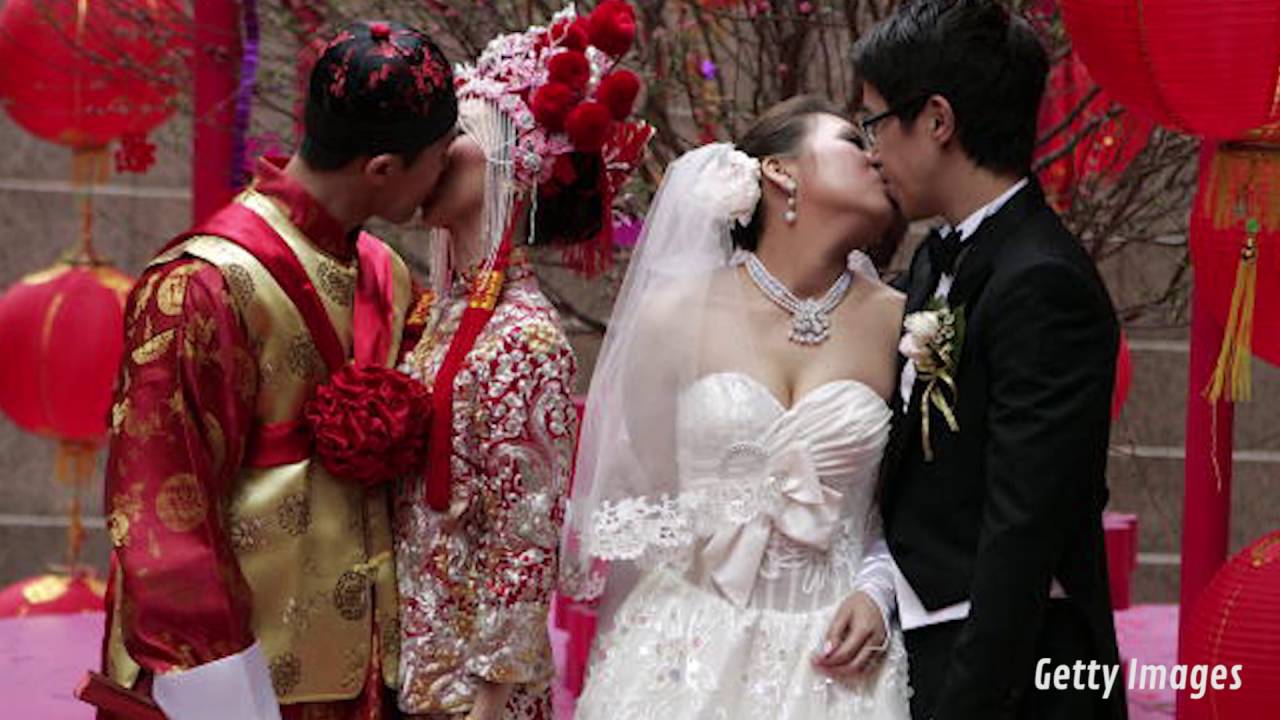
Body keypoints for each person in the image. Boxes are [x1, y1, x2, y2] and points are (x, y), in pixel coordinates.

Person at [99, 20, 458, 720]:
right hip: (247, 678)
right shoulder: (199, 286)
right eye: (440, 157)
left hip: (365, 672)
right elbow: (162, 517)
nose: (443, 174)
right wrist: (222, 695)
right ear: (383, 168)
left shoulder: (384, 273)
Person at [562, 95, 911, 720]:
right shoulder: (674, 316)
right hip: (685, 651)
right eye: (852, 142)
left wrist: (877, 591)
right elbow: (655, 488)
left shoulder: (900, 322)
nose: (876, 157)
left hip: (838, 656)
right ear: (780, 171)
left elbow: (911, 505)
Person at [852, 2, 1126, 719]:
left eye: (875, 124)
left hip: (1013, 676)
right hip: (925, 643)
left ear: (937, 120)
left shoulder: (1043, 283)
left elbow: (1022, 532)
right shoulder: (936, 261)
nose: (871, 152)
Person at [392, 5, 652, 719]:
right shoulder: (440, 317)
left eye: (458, 134)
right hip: (412, 664)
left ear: (516, 164)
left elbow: (526, 539)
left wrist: (490, 697)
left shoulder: (526, 338)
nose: (436, 152)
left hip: (472, 693)